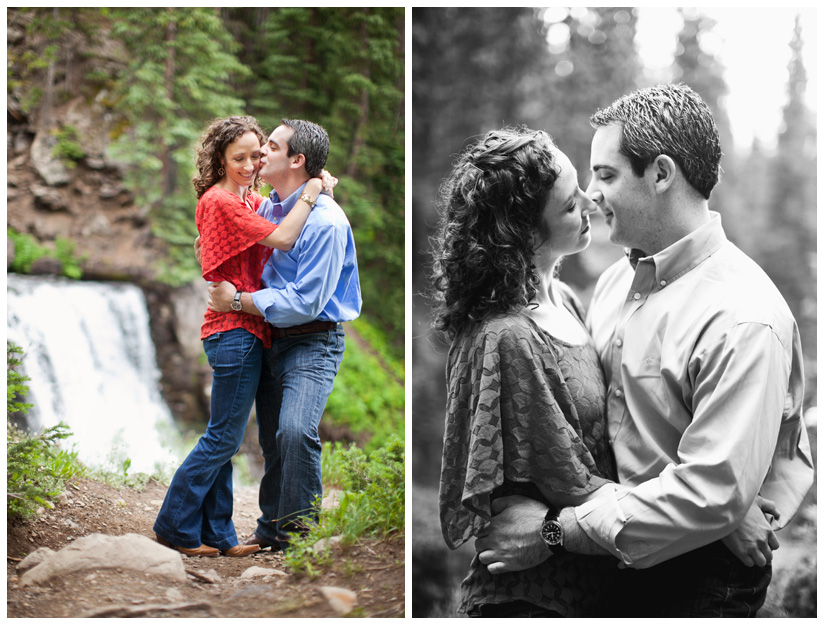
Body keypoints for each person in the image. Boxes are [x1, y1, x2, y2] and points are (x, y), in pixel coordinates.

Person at [475, 84, 815, 617]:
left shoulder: (743, 317)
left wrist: (553, 532)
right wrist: (727, 506)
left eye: (605, 175)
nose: (589, 194)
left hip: (700, 578)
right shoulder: (614, 283)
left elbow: (710, 494)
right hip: (614, 558)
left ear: (660, 174)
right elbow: (593, 421)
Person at [429, 126, 620, 617]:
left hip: (587, 580)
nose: (589, 200)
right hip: (529, 597)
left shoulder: (568, 302)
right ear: (525, 233)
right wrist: (707, 510)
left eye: (581, 184)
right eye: (568, 203)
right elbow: (573, 481)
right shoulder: (508, 337)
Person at [153, 115, 328, 558]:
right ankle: (174, 525)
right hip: (233, 329)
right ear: (219, 158)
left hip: (250, 327)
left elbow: (209, 245)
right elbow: (285, 239)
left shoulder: (246, 199)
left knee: (226, 436)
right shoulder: (224, 201)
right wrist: (311, 190)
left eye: (256, 154)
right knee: (224, 438)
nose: (251, 164)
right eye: (239, 157)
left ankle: (218, 535)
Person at [208, 119, 362, 552]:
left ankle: (299, 535)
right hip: (267, 336)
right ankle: (270, 528)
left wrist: (237, 301)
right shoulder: (267, 208)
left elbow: (305, 302)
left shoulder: (326, 223)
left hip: (313, 340)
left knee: (295, 430)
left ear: (296, 160)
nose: (259, 157)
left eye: (269, 148)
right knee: (272, 438)